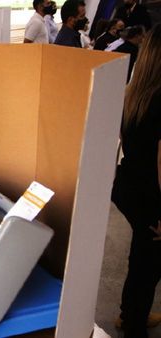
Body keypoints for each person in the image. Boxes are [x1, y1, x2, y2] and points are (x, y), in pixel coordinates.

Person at [111, 23, 161, 338]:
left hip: (128, 185)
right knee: (149, 264)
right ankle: (133, 324)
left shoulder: (133, 94)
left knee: (141, 257)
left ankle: (130, 315)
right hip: (151, 195)